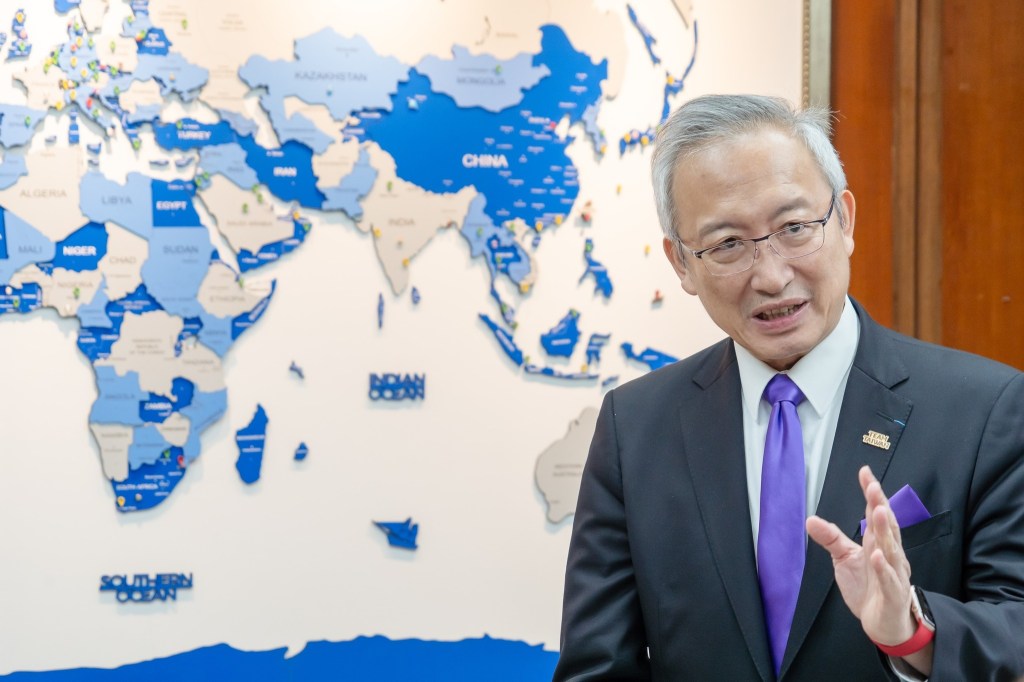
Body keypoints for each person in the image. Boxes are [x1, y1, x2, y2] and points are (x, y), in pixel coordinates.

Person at [554, 94, 1024, 681]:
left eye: (795, 228)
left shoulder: (986, 410)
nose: (772, 276)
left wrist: (914, 632)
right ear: (681, 265)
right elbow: (597, 666)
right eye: (726, 244)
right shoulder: (635, 426)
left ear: (845, 221)